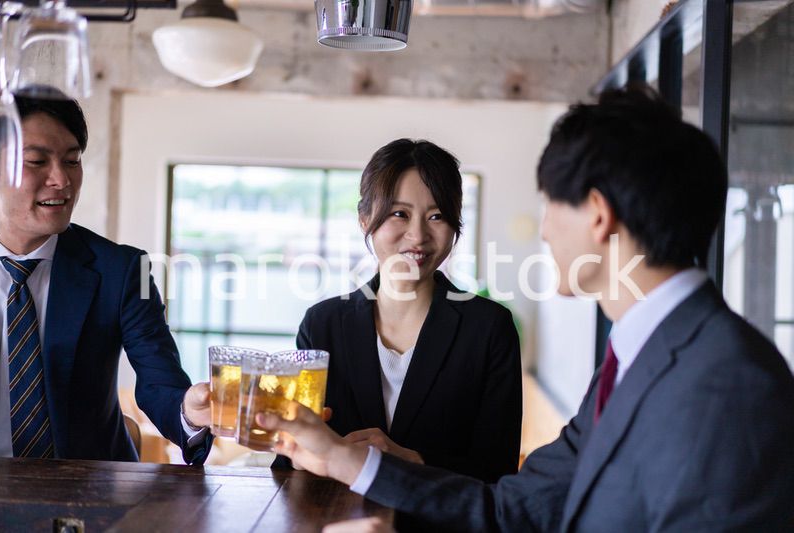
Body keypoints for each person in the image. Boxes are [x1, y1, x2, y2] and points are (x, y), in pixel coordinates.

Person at [257, 86, 794, 530]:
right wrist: (339, 458)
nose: (542, 230)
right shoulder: (637, 356)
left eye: (549, 204)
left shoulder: (728, 381)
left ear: (597, 216)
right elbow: (514, 509)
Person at [276, 139, 523, 482]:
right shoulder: (323, 324)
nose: (418, 235)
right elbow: (289, 463)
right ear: (365, 219)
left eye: (436, 216)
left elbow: (499, 471)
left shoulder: (488, 328)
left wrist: (409, 459)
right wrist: (302, 453)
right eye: (399, 214)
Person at [0, 90, 213, 463]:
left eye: (72, 160)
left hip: (89, 495)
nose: (61, 180)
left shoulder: (122, 269)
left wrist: (190, 413)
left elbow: (160, 382)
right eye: (36, 161)